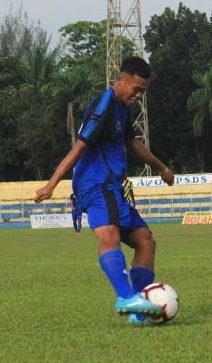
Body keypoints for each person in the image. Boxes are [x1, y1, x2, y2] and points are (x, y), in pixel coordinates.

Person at [34, 56, 174, 322]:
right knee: (109, 234)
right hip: (95, 184)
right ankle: (126, 297)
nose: (139, 96)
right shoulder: (105, 106)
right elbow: (79, 147)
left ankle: (137, 309)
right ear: (121, 81)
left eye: (143, 91)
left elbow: (132, 145)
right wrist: (52, 184)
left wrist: (162, 168)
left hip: (112, 187)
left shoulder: (123, 109)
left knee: (145, 240)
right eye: (136, 89)